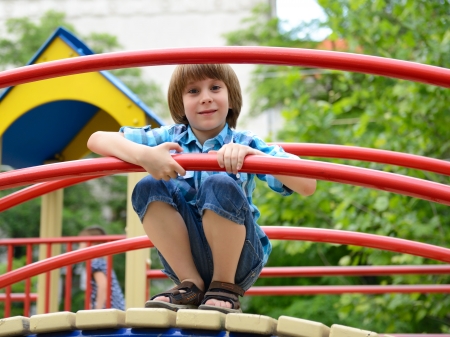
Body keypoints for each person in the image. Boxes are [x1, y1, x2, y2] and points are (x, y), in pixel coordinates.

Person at [87, 64, 316, 314]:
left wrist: (254, 155)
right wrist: (145, 156)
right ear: (180, 104)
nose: (206, 97)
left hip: (239, 259)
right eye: (193, 91)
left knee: (218, 183)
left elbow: (307, 184)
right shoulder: (170, 139)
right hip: (187, 257)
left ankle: (224, 285)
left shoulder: (244, 142)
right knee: (148, 185)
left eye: (215, 87)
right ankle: (190, 284)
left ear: (231, 99)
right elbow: (96, 139)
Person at [78, 226, 125, 310]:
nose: (79, 248)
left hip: (109, 308)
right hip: (115, 307)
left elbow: (103, 285)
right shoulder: (101, 262)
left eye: (81, 244)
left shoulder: (96, 263)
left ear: (91, 245)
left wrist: (97, 309)